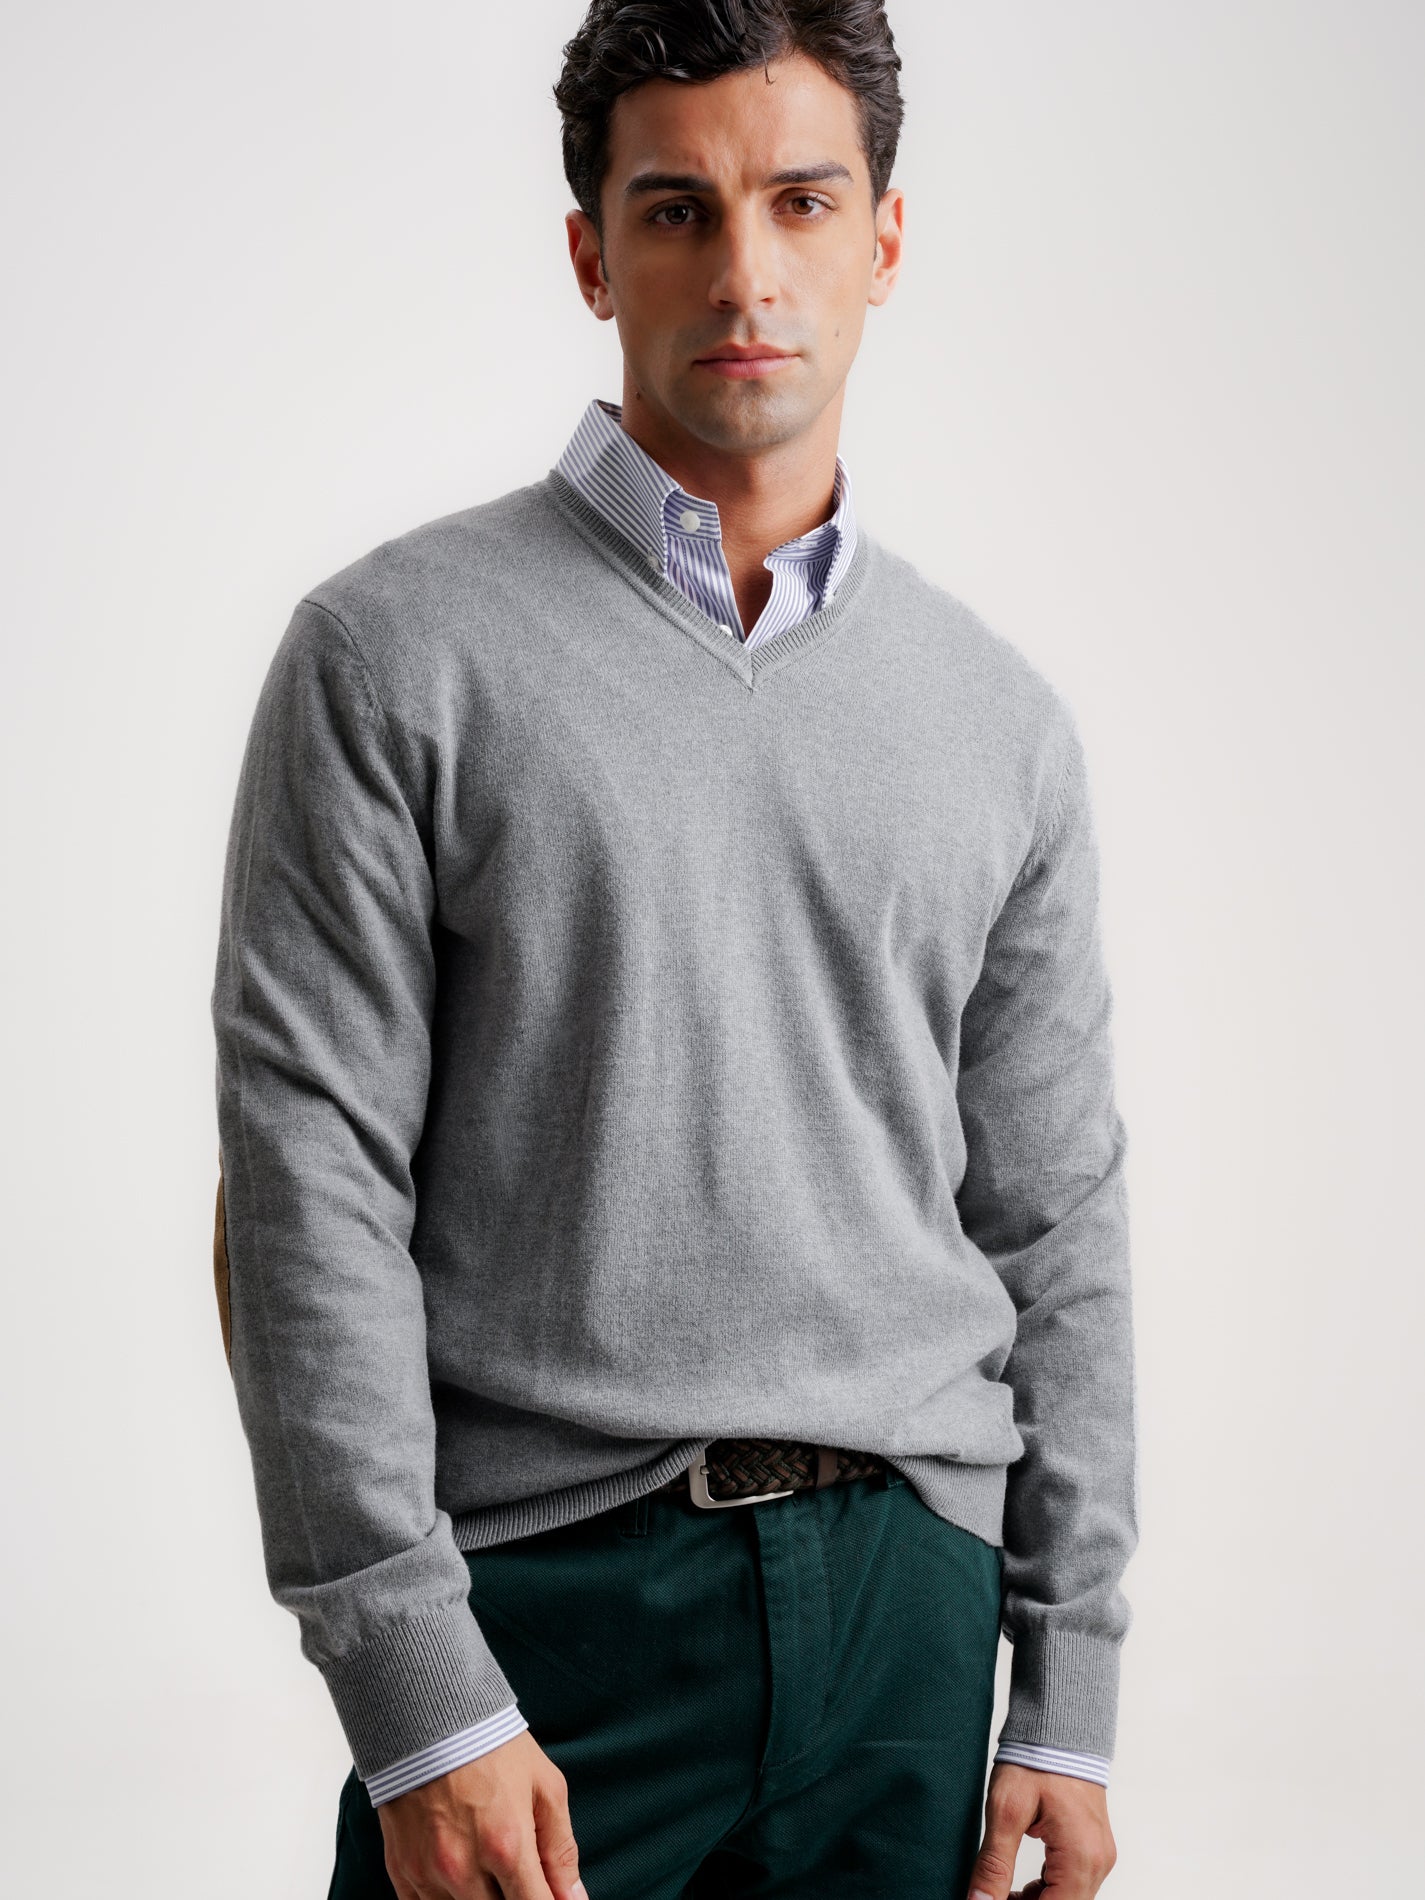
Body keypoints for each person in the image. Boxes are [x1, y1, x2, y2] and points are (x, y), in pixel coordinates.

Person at [209, 4, 1139, 1896]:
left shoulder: (997, 720)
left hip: (908, 1612)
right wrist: (417, 1698)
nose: (743, 273)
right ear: (590, 252)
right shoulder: (391, 658)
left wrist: (1066, 1696)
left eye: (800, 202)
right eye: (675, 209)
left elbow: (1054, 1224)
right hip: (541, 1614)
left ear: (883, 238)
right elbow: (306, 1192)